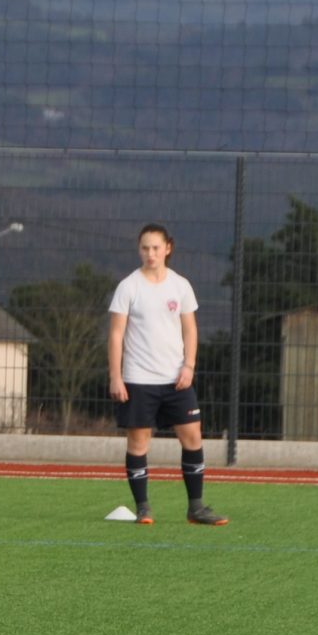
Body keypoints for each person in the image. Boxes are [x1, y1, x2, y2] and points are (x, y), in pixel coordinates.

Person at [107, 223, 224, 525]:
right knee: (138, 444)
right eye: (145, 248)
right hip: (138, 380)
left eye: (156, 248)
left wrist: (189, 366)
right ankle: (143, 507)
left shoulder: (180, 286)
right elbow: (116, 334)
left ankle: (196, 508)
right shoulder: (128, 287)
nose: (150, 253)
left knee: (193, 437)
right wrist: (116, 376)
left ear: (167, 248)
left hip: (176, 380)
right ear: (139, 250)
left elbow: (190, 329)